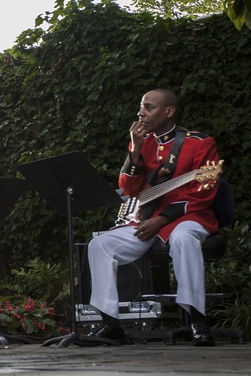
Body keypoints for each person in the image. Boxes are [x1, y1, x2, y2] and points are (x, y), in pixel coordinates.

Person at [87, 88, 220, 346]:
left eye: (148, 107)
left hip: (188, 217)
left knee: (183, 239)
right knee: (99, 245)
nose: (141, 112)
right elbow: (129, 189)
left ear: (169, 111)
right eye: (141, 107)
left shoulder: (200, 143)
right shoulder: (143, 143)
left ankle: (197, 321)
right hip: (147, 218)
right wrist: (135, 149)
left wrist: (164, 219)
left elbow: (204, 193)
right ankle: (111, 325)